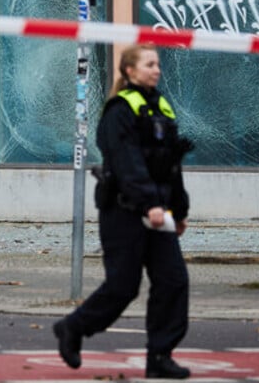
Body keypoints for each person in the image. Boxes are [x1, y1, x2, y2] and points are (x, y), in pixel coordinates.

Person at [53, 43, 193, 380]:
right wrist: (150, 204)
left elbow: (170, 165)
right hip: (124, 212)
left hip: (157, 212)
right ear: (130, 71)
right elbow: (127, 163)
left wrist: (178, 209)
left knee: (173, 281)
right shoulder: (119, 111)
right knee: (123, 286)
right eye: (149, 64)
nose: (156, 70)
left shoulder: (160, 107)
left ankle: (159, 356)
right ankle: (73, 327)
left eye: (157, 64)